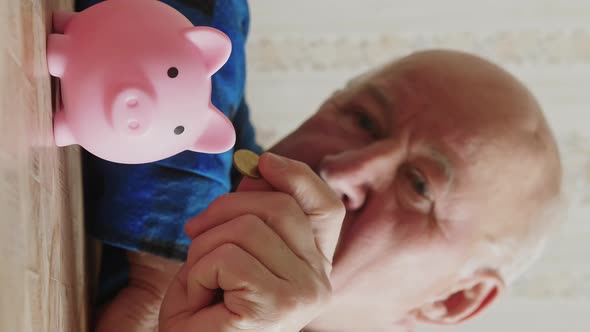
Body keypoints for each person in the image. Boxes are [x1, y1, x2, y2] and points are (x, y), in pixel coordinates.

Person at [78, 2, 562, 332]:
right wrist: (160, 268)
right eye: (362, 119)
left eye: (418, 186)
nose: (344, 170)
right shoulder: (206, 133)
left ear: (455, 301)